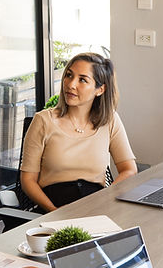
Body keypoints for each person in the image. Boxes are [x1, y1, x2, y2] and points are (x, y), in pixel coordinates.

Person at [20, 52, 137, 212]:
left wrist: (105, 199)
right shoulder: (43, 121)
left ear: (100, 89)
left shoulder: (110, 120)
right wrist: (53, 211)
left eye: (82, 79)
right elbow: (27, 179)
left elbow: (129, 169)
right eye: (69, 75)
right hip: (54, 207)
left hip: (97, 207)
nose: (70, 84)